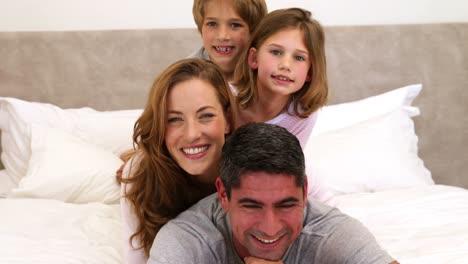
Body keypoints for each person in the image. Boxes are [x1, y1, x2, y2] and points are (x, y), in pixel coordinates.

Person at [148, 123, 399, 264]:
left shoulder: (330, 232)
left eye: (286, 205)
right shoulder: (188, 239)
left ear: (304, 193)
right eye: (252, 206)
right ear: (223, 195)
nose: (270, 228)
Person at [119, 58, 238, 263]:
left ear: (227, 119)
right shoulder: (140, 175)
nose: (192, 134)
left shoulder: (254, 164)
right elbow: (137, 259)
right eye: (174, 119)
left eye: (206, 116)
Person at [233, 7, 328, 148]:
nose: (285, 65)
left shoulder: (302, 116)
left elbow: (288, 165)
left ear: (310, 72)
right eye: (276, 52)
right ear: (254, 58)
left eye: (299, 57)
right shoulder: (226, 99)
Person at [190, 0, 268, 82]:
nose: (222, 36)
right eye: (212, 24)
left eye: (235, 25)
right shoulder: (184, 77)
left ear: (254, 31)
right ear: (201, 28)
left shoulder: (267, 71)